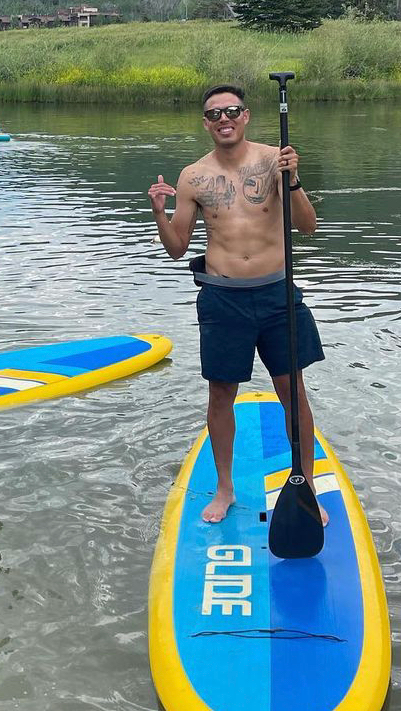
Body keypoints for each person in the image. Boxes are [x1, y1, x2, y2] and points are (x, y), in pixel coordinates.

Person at [148, 83, 328, 525]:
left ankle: (303, 484)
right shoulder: (194, 176)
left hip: (277, 295)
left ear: (245, 116)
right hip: (223, 298)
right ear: (205, 122)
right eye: (214, 114)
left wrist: (294, 181)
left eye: (231, 111)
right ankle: (225, 487)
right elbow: (176, 248)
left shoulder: (275, 160)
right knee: (221, 393)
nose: (223, 119)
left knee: (293, 392)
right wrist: (158, 211)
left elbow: (308, 227)